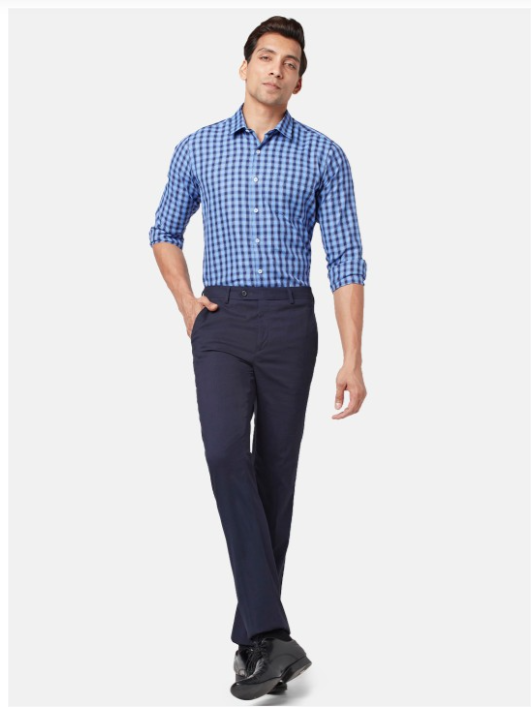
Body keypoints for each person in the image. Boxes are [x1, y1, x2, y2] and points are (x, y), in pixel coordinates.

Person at [148, 15, 368, 701]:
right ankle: (274, 632)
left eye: (290, 62)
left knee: (275, 471)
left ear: (300, 81)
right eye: (266, 57)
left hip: (289, 321)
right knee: (224, 453)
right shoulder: (198, 146)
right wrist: (187, 304)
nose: (276, 69)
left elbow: (346, 257)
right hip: (220, 318)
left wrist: (353, 357)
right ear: (243, 67)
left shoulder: (325, 155)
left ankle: (257, 645)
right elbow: (163, 229)